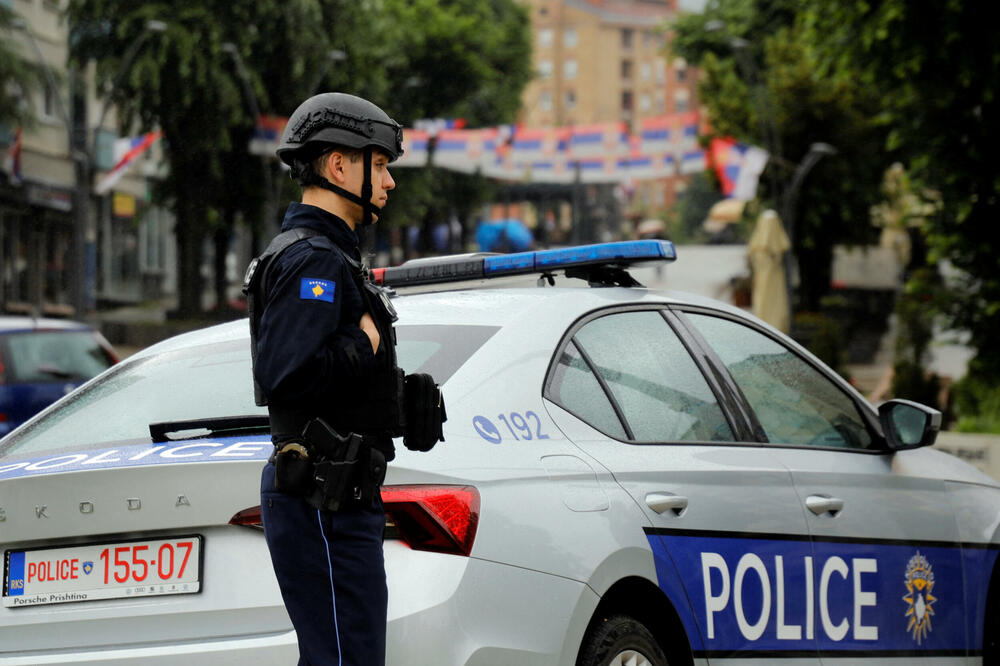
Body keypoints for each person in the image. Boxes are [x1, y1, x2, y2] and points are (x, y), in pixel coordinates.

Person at [243, 92, 444, 666]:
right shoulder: (314, 260)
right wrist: (364, 343)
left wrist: (401, 405)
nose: (389, 182)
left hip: (337, 496)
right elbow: (286, 376)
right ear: (338, 165)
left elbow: (325, 385)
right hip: (323, 499)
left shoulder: (329, 254)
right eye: (379, 165)